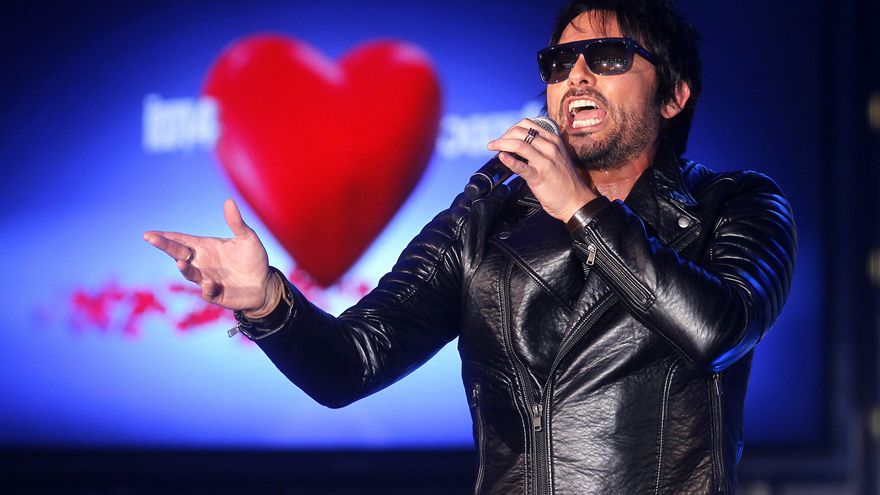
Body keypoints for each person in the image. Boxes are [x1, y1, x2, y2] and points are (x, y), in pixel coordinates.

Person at [144, 0, 796, 493]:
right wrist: (267, 303)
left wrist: (581, 207)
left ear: (674, 95)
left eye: (608, 57)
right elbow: (349, 365)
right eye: (560, 62)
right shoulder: (485, 220)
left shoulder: (734, 204)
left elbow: (717, 330)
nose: (576, 75)